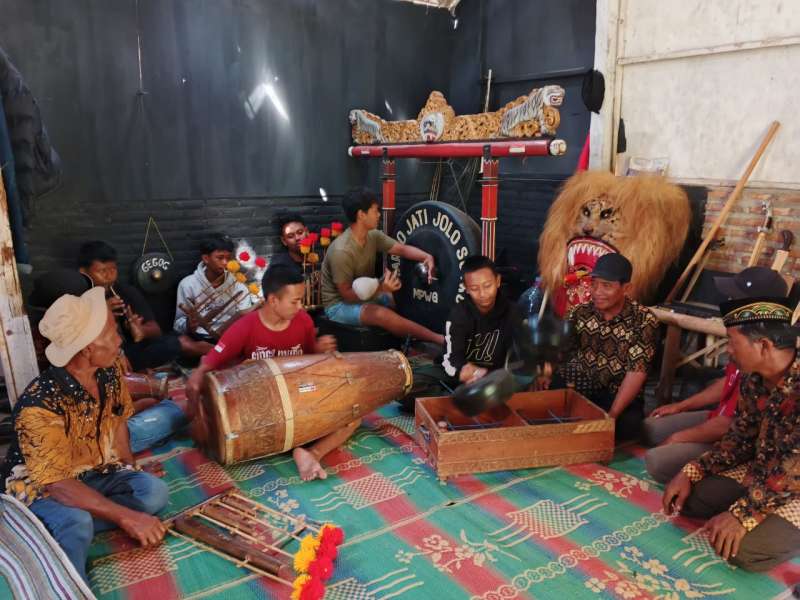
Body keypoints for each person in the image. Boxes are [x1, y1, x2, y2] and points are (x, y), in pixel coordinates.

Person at [0, 288, 169, 583]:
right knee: (76, 522)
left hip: (93, 470)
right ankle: (63, 568)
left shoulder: (109, 370)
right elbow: (58, 485)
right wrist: (126, 517)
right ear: (87, 347)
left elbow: (117, 424)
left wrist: (129, 467)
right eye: (112, 333)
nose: (119, 339)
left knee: (153, 493)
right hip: (42, 488)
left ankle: (79, 518)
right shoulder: (38, 405)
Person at [662, 294, 800, 571]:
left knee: (742, 552)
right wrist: (692, 470)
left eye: (732, 342)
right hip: (766, 473)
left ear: (763, 345)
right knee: (690, 500)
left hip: (794, 483)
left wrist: (741, 514)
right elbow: (739, 439)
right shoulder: (754, 379)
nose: (728, 351)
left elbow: (791, 473)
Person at [186, 265, 342, 481]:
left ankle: (309, 453)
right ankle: (300, 445)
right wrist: (198, 396)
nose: (300, 307)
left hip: (296, 397)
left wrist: (320, 349)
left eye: (301, 300)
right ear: (273, 300)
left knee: (351, 414)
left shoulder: (303, 321)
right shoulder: (245, 327)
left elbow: (309, 358)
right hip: (259, 406)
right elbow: (208, 363)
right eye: (295, 301)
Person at [642, 266, 789, 483]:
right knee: (650, 427)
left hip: (746, 450)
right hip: (729, 432)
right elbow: (727, 382)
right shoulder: (742, 339)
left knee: (658, 461)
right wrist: (681, 406)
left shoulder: (767, 357)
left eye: (735, 297)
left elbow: (731, 428)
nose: (727, 300)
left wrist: (680, 439)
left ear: (757, 306)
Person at [28, 267, 191, 454]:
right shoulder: (65, 348)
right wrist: (137, 405)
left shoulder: (68, 335)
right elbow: (97, 416)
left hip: (105, 412)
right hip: (96, 439)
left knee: (156, 389)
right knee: (180, 408)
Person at [538, 253, 658, 440]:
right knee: (547, 399)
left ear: (626, 288)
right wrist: (547, 370)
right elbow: (558, 347)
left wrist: (611, 416)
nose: (597, 292)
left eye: (606, 286)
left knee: (627, 426)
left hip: (616, 394)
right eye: (594, 284)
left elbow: (637, 372)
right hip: (581, 385)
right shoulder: (580, 312)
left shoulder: (643, 320)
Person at [320, 188, 444, 345]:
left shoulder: (373, 236)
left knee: (403, 298)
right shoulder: (342, 251)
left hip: (366, 293)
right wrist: (381, 289)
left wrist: (426, 256)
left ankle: (420, 337)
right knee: (381, 315)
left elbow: (402, 249)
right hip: (338, 306)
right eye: (375, 210)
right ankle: (439, 340)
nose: (379, 214)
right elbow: (347, 295)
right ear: (361, 215)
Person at [78, 241, 208, 370]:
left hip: (130, 351)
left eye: (113, 269)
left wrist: (141, 330)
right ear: (83, 272)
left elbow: (156, 330)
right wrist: (103, 312)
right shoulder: (76, 298)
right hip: (102, 358)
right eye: (102, 271)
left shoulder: (125, 291)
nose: (109, 276)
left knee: (180, 340)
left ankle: (222, 354)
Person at [441, 255, 525, 385]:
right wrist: (461, 370)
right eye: (474, 288)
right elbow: (450, 358)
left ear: (497, 281)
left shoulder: (513, 313)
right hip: (467, 382)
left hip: (500, 381)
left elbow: (521, 353)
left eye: (487, 286)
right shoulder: (459, 315)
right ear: (466, 288)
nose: (482, 294)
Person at [174, 233, 256, 343]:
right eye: (220, 258)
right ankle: (217, 352)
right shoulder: (188, 284)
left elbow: (245, 320)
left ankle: (217, 352)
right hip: (199, 337)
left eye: (228, 258)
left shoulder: (238, 286)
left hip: (230, 337)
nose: (225, 263)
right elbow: (178, 324)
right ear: (206, 258)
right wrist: (189, 325)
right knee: (181, 342)